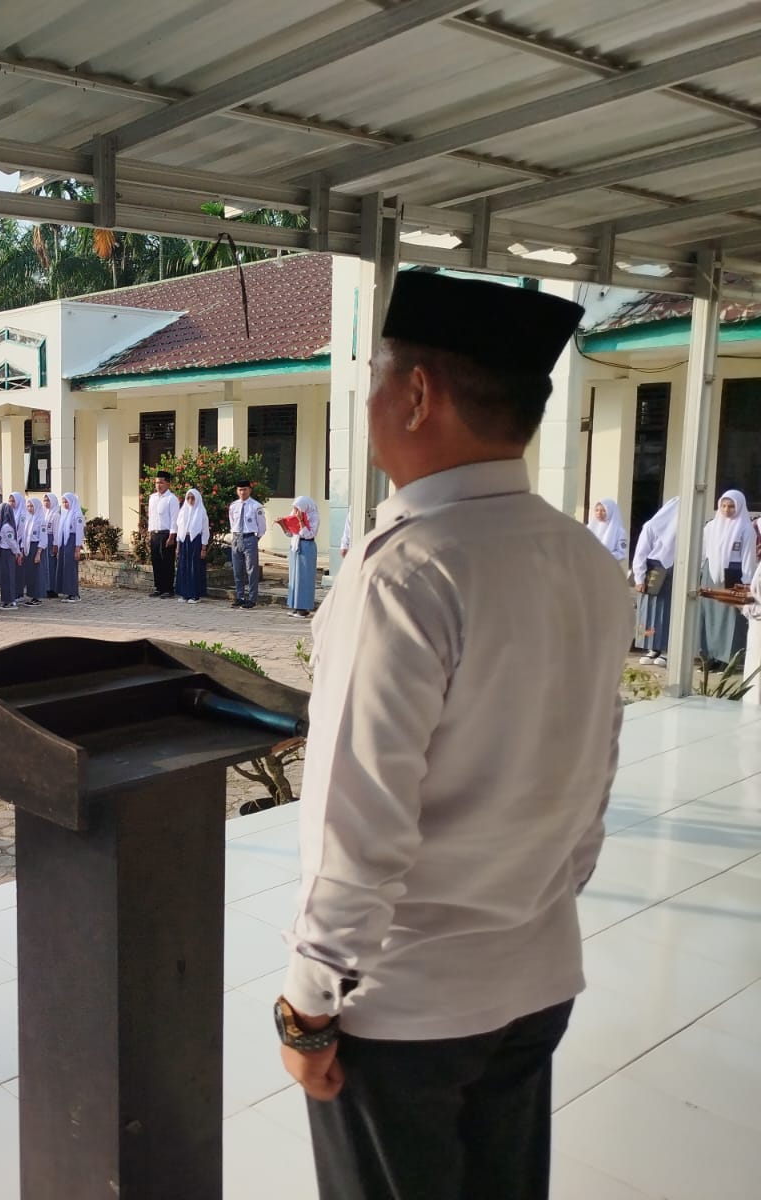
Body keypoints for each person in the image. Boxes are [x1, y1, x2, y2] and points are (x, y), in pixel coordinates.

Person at [276, 270, 627, 1200]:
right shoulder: (587, 561)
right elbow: (594, 779)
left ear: (418, 393)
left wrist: (311, 1005)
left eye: (375, 383)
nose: (371, 404)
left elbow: (358, 821)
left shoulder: (405, 572)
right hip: (538, 975)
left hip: (409, 1008)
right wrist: (536, 906)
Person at [696, 489, 757, 667]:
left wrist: (746, 581)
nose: (726, 509)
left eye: (731, 506)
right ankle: (711, 656)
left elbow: (748, 557)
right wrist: (701, 573)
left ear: (739, 507)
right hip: (711, 573)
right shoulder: (711, 527)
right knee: (710, 615)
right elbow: (703, 553)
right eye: (723, 505)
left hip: (734, 574)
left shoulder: (745, 528)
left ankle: (728, 658)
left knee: (730, 617)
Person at [632, 496, 678, 667]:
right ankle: (652, 648)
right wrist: (639, 577)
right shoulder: (652, 526)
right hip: (654, 571)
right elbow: (640, 554)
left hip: (676, 572)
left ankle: (667, 649)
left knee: (670, 613)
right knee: (651, 612)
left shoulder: (688, 528)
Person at [228, 481, 264, 609]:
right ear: (237, 491)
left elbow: (262, 527)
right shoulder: (233, 506)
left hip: (250, 537)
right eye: (240, 490)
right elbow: (232, 523)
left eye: (245, 489)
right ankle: (240, 597)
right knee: (238, 570)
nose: (242, 492)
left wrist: (255, 539)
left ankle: (252, 598)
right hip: (237, 537)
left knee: (251, 570)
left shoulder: (256, 506)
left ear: (250, 490)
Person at [286, 496, 321, 616]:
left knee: (305, 578)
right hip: (295, 546)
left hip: (307, 546)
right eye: (295, 508)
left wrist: (301, 521)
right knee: (295, 577)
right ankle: (295, 606)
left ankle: (304, 609)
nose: (296, 511)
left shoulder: (313, 516)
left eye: (298, 508)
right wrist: (283, 524)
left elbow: (310, 534)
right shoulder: (294, 514)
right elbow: (290, 533)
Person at [148, 470, 180, 598]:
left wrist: (172, 536)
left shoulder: (171, 499)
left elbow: (174, 519)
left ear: (168, 483)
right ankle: (158, 587)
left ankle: (168, 589)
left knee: (167, 562)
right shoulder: (152, 498)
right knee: (156, 561)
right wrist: (149, 533)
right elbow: (151, 517)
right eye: (156, 483)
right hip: (155, 534)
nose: (158, 485)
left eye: (161, 482)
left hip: (166, 535)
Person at [174, 487, 209, 603]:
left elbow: (205, 531)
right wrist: (178, 546)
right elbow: (179, 530)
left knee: (194, 567)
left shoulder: (201, 512)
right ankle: (184, 594)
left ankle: (195, 595)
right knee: (184, 567)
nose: (190, 500)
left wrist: (203, 548)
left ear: (197, 498)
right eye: (188, 497)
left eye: (192, 498)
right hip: (184, 541)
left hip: (196, 542)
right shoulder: (183, 511)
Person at [55, 492, 83, 602]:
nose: (65, 504)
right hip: (64, 542)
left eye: (67, 502)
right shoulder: (65, 514)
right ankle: (67, 592)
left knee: (71, 567)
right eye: (63, 502)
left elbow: (79, 532)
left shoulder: (77, 514)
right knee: (64, 566)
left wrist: (77, 548)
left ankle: (74, 594)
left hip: (72, 541)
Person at [586, 498, 628, 568]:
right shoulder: (590, 527)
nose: (599, 513)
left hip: (607, 568)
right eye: (597, 510)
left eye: (603, 511)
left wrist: (603, 556)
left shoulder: (620, 532)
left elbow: (622, 553)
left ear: (611, 511)